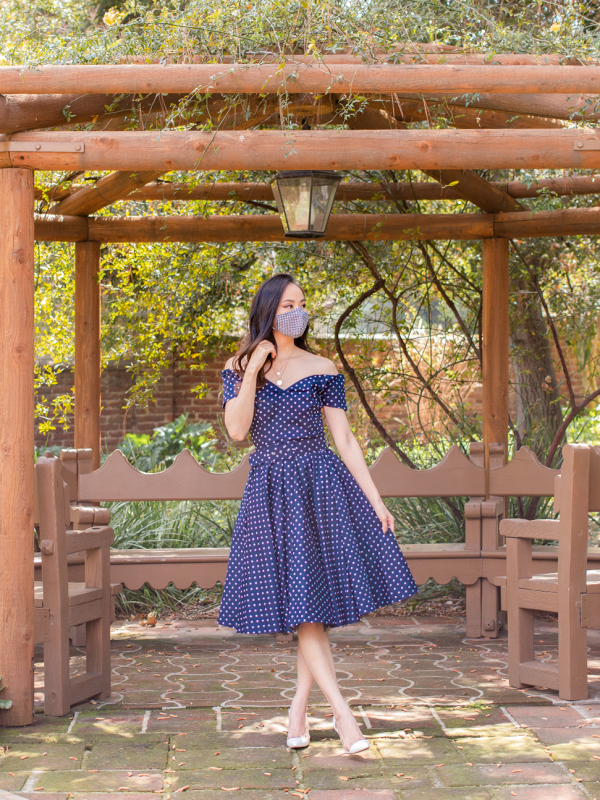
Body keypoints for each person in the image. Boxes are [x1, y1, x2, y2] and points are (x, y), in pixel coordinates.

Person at [218, 273, 418, 754]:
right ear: (268, 309)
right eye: (289, 303)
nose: (298, 311)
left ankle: (313, 711)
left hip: (319, 488)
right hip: (269, 492)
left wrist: (375, 498)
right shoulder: (239, 366)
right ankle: (331, 712)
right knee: (306, 611)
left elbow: (345, 441)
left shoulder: (323, 367)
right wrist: (251, 371)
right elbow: (237, 431)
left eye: (302, 304)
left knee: (310, 610)